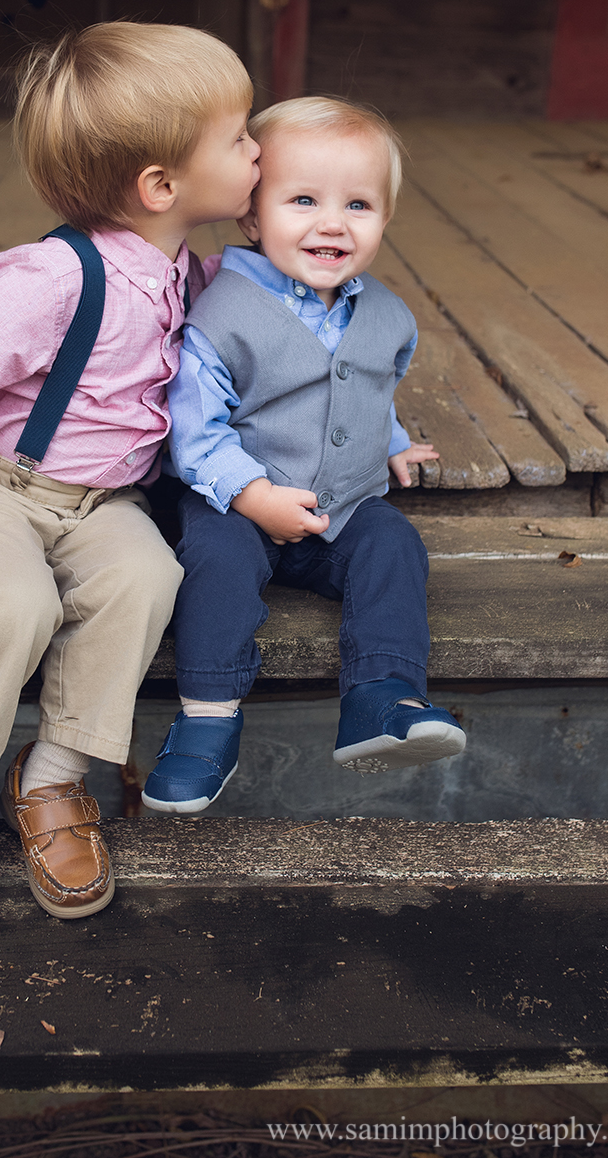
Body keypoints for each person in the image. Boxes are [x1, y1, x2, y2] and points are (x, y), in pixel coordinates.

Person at [0, 22, 260, 919]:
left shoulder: (190, 275)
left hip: (104, 502)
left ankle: (50, 778)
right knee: (15, 604)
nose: (258, 148)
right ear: (161, 186)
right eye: (239, 137)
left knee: (150, 575)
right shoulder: (51, 280)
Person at [142, 96, 466, 815]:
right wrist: (253, 496)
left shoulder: (385, 313)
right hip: (239, 507)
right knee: (214, 562)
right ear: (253, 218)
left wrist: (391, 444)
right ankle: (207, 718)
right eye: (303, 200)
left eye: (358, 204)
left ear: (384, 218)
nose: (332, 222)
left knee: (394, 543)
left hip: (338, 513)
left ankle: (382, 696)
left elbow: (366, 386)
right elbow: (192, 429)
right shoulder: (219, 315)